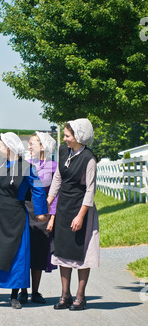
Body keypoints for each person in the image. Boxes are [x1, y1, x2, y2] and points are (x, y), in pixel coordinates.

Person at [0, 132, 48, 309]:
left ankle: (14, 296)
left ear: (9, 147)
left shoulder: (28, 167)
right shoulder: (0, 166)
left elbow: (38, 188)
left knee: (17, 256)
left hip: (16, 216)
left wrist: (40, 212)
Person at [47, 118, 100, 311]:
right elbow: (58, 178)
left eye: (68, 136)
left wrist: (81, 216)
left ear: (79, 136)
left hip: (81, 208)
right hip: (64, 207)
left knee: (81, 252)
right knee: (63, 251)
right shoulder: (63, 152)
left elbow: (90, 190)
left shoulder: (89, 159)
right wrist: (49, 201)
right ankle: (65, 295)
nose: (66, 139)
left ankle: (80, 296)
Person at [19, 131, 58, 305]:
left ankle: (35, 292)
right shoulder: (25, 165)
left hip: (43, 213)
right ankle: (22, 291)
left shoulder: (54, 166)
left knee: (38, 253)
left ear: (42, 146)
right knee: (23, 252)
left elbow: (56, 194)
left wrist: (52, 218)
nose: (29, 146)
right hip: (26, 211)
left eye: (32, 143)